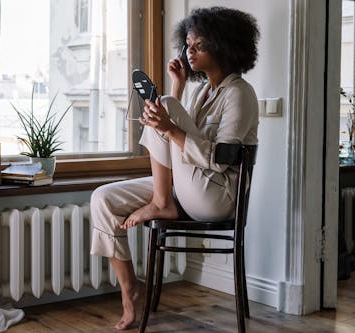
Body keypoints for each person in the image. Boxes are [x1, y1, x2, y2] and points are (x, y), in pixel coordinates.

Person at [89, 6, 260, 330]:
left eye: (199, 45)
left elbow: (221, 158)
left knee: (163, 104)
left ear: (222, 46)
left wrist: (168, 122)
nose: (189, 51)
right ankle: (131, 291)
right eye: (188, 44)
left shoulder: (239, 93)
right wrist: (178, 84)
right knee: (102, 199)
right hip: (186, 186)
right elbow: (179, 136)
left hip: (214, 196)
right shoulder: (201, 91)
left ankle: (162, 202)